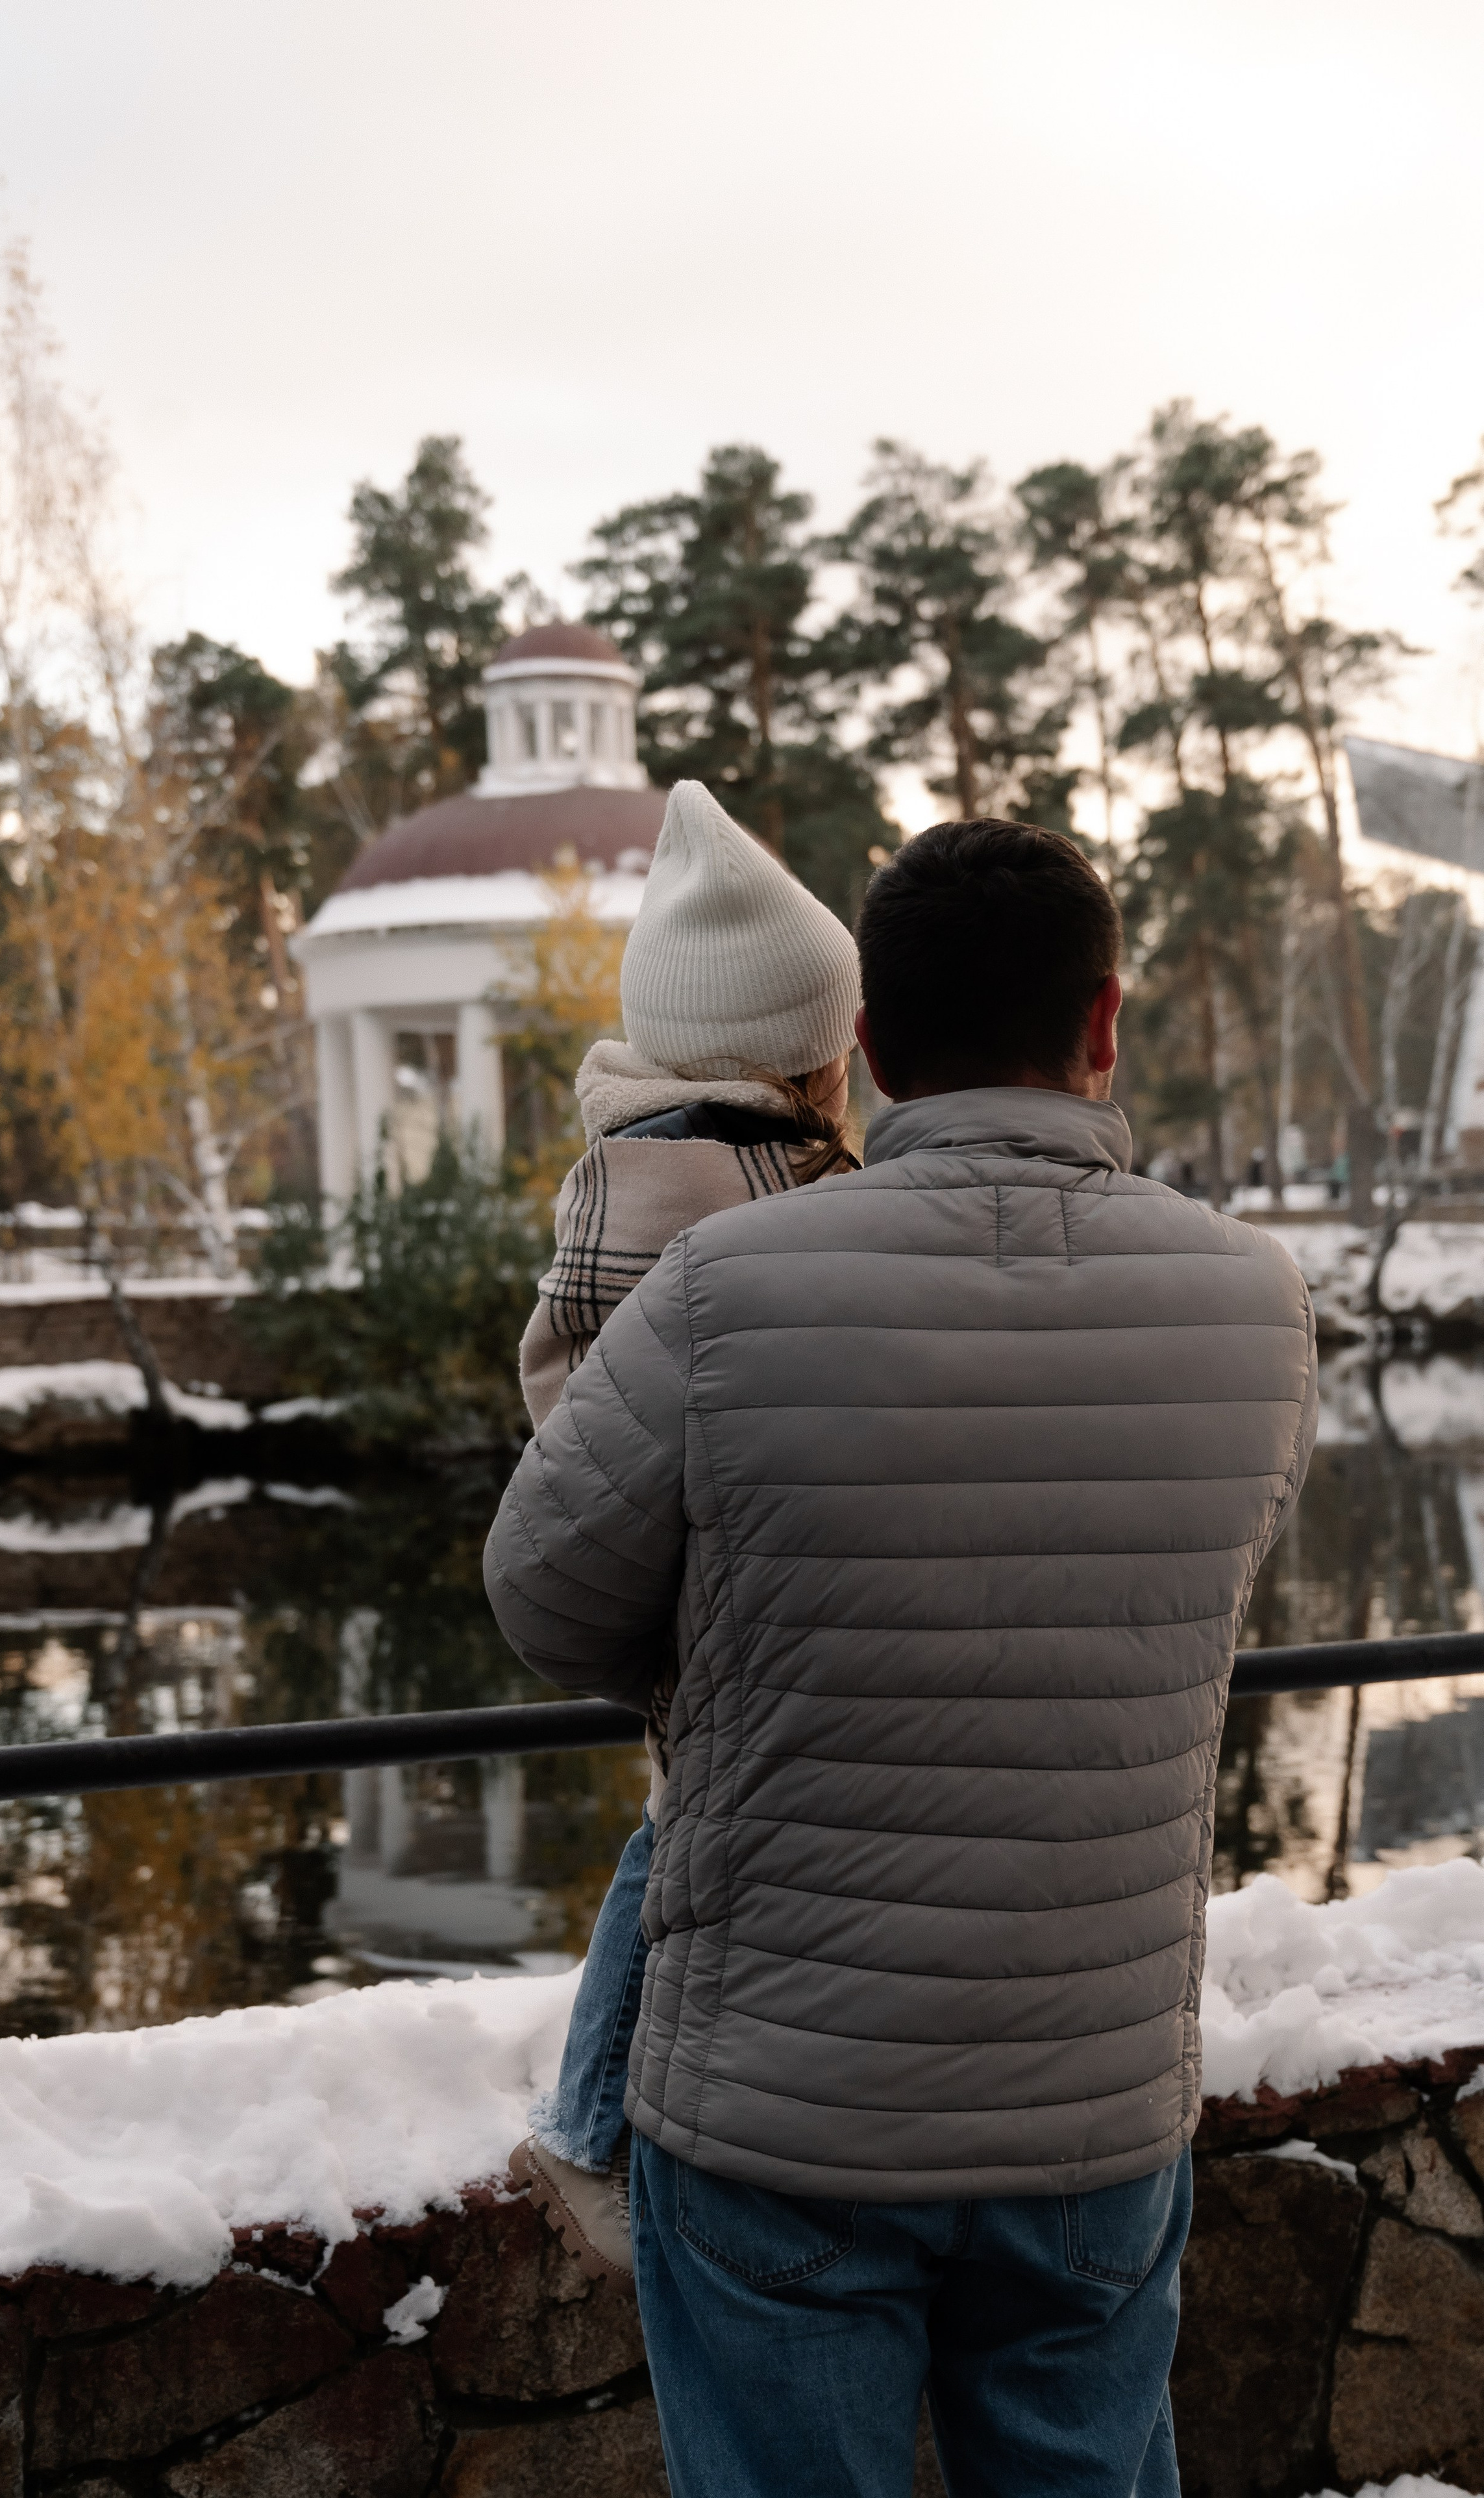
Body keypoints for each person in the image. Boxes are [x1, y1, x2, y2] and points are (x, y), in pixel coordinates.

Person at [485, 818, 1317, 2498]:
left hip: (779, 2113)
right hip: (1092, 2104)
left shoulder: (718, 1292)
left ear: (865, 1050)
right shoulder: (1257, 1304)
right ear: (1104, 1024)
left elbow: (547, 1599)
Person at [508, 776, 862, 2288]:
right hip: (731, 1574)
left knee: (677, 1834)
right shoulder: (760, 1190)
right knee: (675, 1852)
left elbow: (558, 1394)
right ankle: (588, 2125)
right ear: (806, 1052)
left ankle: (592, 2123)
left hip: (661, 1562)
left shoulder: (623, 1171)